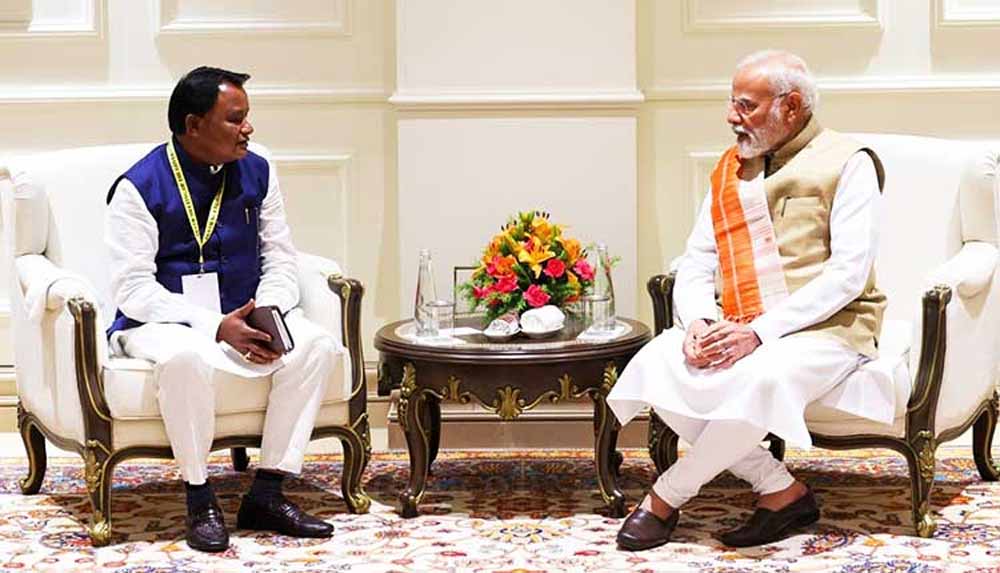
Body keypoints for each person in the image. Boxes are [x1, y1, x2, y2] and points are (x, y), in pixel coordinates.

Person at [608, 50, 892, 551]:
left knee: (763, 376)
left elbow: (847, 276)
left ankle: (665, 497)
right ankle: (780, 490)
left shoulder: (850, 163)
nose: (731, 117)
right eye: (732, 103)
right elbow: (697, 259)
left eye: (746, 105)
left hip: (829, 328)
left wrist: (758, 333)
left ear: (791, 106)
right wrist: (699, 321)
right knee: (659, 360)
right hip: (738, 320)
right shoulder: (730, 172)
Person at [105, 66, 343, 553]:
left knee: (316, 346)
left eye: (247, 117)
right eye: (235, 119)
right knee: (184, 358)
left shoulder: (259, 170)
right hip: (162, 322)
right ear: (193, 125)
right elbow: (133, 290)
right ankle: (199, 498)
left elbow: (280, 258)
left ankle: (268, 492)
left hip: (244, 315)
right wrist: (215, 326)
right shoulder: (138, 187)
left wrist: (266, 313)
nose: (248, 129)